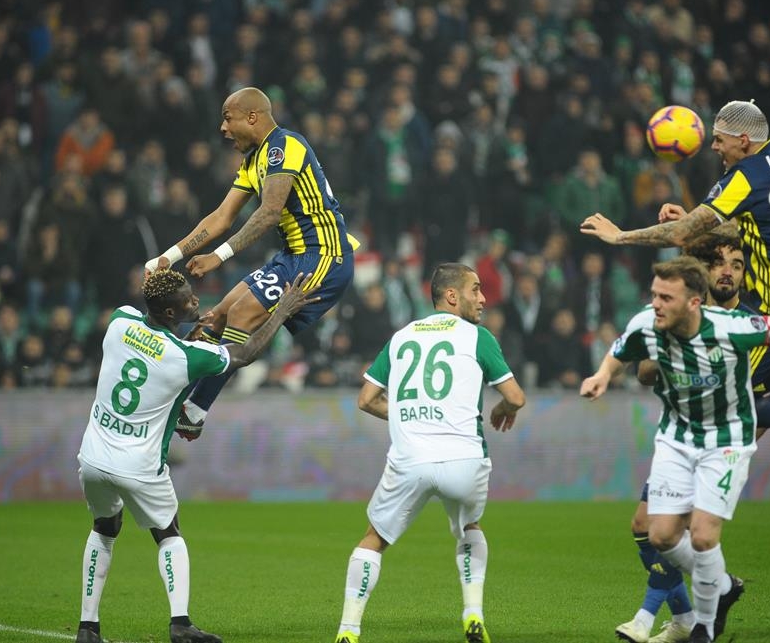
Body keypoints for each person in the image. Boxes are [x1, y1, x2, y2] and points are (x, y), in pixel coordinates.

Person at [582, 257, 770, 643]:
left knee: (703, 537)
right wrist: (602, 375)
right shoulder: (647, 322)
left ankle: (702, 629)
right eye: (655, 295)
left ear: (693, 302)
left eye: (665, 298)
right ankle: (720, 585)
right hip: (676, 438)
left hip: (725, 441)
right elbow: (621, 351)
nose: (655, 304)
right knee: (661, 536)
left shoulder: (733, 327)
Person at [580, 101, 770, 419]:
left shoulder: (742, 178)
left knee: (736, 399)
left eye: (720, 139)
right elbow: (757, 223)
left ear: (743, 141)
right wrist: (696, 219)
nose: (714, 146)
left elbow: (679, 235)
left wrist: (620, 235)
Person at [75, 269, 318, 643]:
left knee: (104, 529)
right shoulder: (185, 356)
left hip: (92, 457)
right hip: (139, 465)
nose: (196, 300)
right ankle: (181, 624)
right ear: (170, 313)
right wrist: (282, 309)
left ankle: (87, 628)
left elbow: (152, 351)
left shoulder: (119, 321)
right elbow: (245, 353)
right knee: (168, 534)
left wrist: (186, 334)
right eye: (187, 299)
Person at [145, 86, 356, 439]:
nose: (223, 128)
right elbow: (221, 217)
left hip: (325, 254)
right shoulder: (253, 160)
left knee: (242, 313)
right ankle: (173, 400)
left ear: (252, 117)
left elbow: (270, 212)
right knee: (217, 315)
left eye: (228, 119)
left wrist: (219, 256)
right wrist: (169, 256)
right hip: (291, 256)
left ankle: (194, 411)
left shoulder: (284, 145)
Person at [334, 263, 526, 643]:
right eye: (475, 289)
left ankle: (348, 631)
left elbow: (366, 399)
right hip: (464, 460)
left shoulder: (402, 336)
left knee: (374, 538)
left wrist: (410, 415)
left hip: (411, 460)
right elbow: (516, 397)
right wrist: (504, 409)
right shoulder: (478, 337)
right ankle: (473, 615)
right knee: (470, 528)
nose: (483, 299)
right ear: (452, 296)